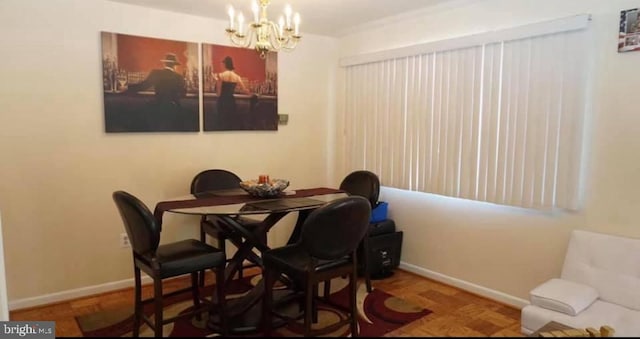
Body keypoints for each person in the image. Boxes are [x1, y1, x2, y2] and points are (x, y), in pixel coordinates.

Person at [215, 56, 253, 128]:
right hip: (231, 101)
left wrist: (216, 81)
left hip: (222, 101)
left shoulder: (220, 75)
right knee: (230, 122)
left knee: (221, 123)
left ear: (225, 65)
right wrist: (251, 94)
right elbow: (245, 90)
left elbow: (218, 93)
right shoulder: (237, 77)